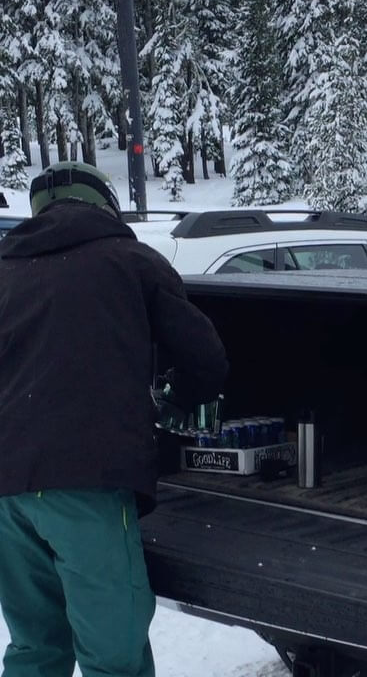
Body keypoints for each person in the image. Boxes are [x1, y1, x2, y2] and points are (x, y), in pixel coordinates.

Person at [0, 161, 228, 677]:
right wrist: (173, 407)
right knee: (114, 659)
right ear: (105, 205)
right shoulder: (130, 261)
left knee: (35, 648)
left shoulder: (6, 271)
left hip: (6, 492)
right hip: (86, 484)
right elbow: (205, 359)